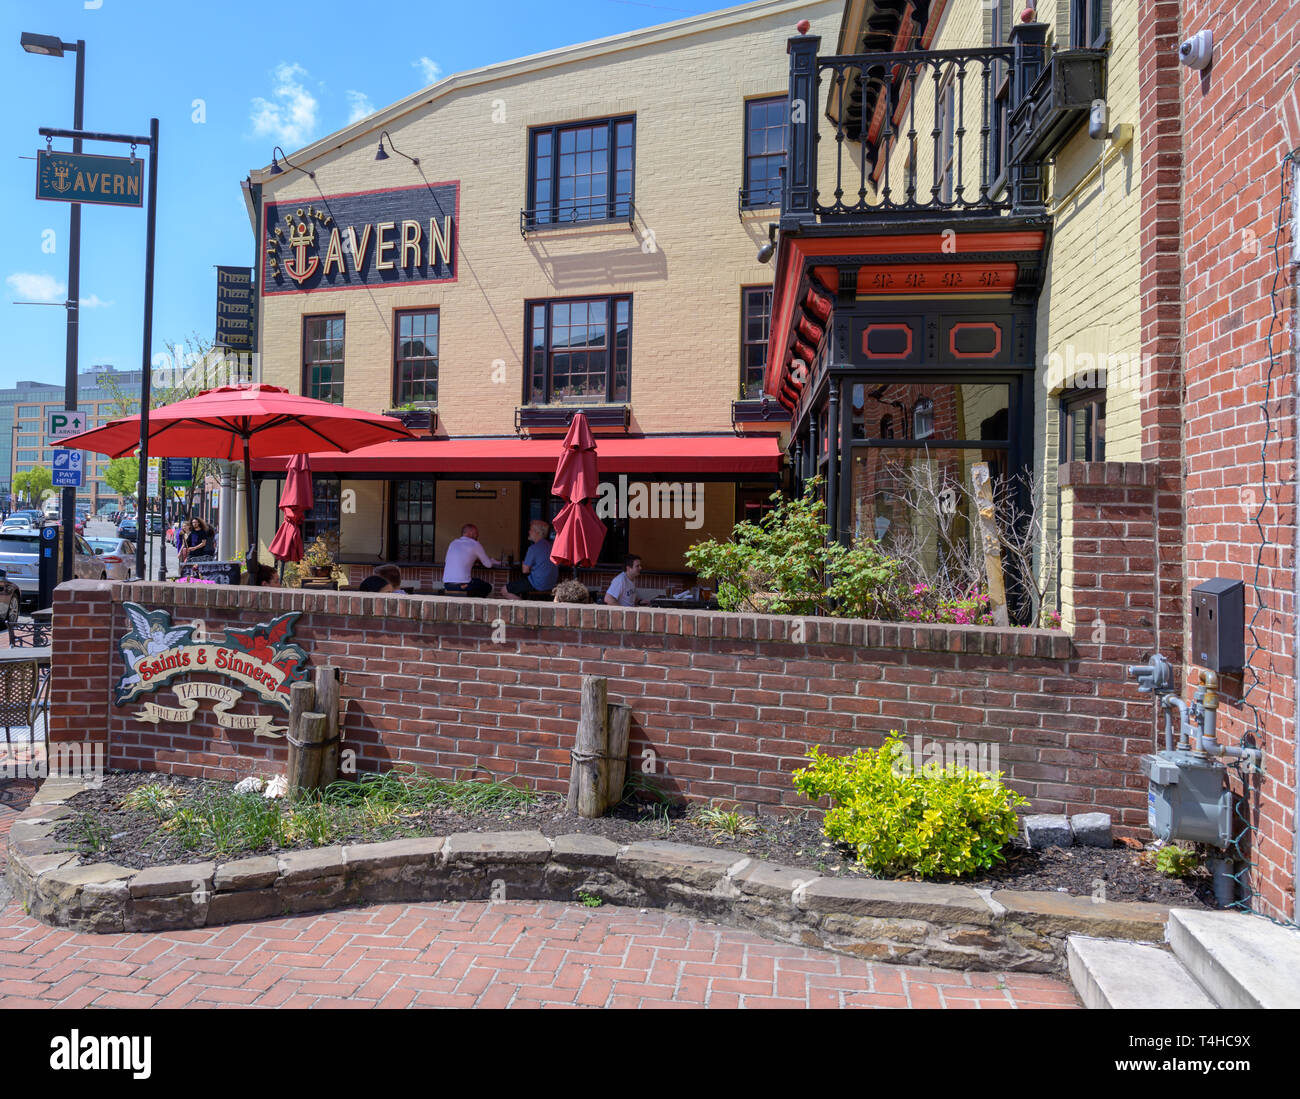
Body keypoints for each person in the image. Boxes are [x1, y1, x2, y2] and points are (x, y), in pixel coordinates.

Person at [505, 520, 557, 599]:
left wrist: (524, 562)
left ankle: (523, 605)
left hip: (537, 584)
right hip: (551, 585)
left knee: (505, 590)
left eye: (531, 530)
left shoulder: (533, 548)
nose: (529, 532)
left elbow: (525, 570)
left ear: (538, 532)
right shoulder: (552, 546)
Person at [443, 524, 498, 597]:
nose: (477, 535)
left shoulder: (453, 543)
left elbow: (448, 561)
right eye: (476, 533)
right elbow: (488, 565)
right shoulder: (475, 544)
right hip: (463, 585)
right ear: (471, 533)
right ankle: (476, 603)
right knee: (487, 587)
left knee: (475, 583)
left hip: (447, 585)